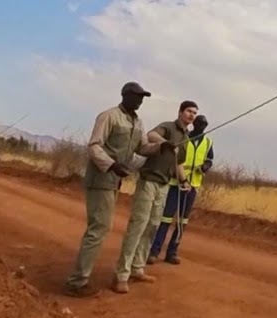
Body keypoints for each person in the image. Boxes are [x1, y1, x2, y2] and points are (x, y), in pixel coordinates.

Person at [64, 82, 170, 297]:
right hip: (101, 178)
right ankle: (77, 282)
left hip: (114, 180)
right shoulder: (109, 116)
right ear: (126, 95)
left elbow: (142, 148)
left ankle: (80, 278)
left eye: (143, 97)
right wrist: (111, 165)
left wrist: (160, 147)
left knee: (101, 227)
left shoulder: (138, 122)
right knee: (99, 228)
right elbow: (94, 146)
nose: (140, 100)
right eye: (138, 96)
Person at [111, 100, 196, 293]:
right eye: (189, 111)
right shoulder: (168, 127)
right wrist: (164, 143)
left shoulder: (187, 140)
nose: (192, 115)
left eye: (194, 113)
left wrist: (183, 180)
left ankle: (137, 268)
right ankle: (121, 275)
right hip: (149, 181)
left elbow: (179, 163)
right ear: (181, 112)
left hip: (164, 184)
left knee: (152, 226)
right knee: (138, 225)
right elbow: (151, 135)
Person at [148, 113, 214, 265]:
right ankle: (154, 251)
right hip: (175, 182)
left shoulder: (208, 142)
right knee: (166, 218)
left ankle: (172, 252)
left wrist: (205, 167)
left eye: (204, 124)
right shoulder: (183, 138)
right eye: (198, 123)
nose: (201, 126)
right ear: (194, 124)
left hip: (193, 186)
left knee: (182, 222)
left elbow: (210, 159)